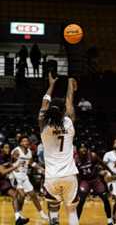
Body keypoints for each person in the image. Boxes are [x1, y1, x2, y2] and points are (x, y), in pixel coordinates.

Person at [38, 72, 79, 225]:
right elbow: (69, 102)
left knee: (53, 211)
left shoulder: (44, 125)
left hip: (52, 177)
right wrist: (70, 84)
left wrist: (51, 85)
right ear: (63, 112)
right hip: (69, 175)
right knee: (72, 210)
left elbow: (44, 103)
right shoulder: (69, 122)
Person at [11, 135, 48, 221]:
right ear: (20, 143)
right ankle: (18, 215)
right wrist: (14, 169)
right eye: (24, 141)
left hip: (24, 176)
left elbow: (31, 163)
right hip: (16, 176)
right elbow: (10, 163)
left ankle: (41, 213)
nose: (26, 142)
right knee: (22, 195)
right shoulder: (17, 151)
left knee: (33, 195)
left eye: (27, 141)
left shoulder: (29, 152)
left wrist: (41, 169)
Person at [75, 144, 113, 225]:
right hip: (85, 181)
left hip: (95, 180)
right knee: (81, 201)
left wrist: (111, 172)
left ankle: (110, 221)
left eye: (85, 147)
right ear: (78, 150)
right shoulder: (75, 160)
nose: (83, 149)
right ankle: (76, 222)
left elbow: (103, 164)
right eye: (81, 147)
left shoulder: (92, 155)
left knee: (105, 198)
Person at [0, 145, 29, 225]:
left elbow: (10, 165)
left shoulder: (7, 157)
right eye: (6, 147)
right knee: (15, 195)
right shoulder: (0, 157)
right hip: (1, 180)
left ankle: (18, 217)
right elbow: (3, 172)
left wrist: (14, 166)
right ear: (1, 149)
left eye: (9, 147)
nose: (8, 149)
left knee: (17, 195)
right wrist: (15, 166)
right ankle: (18, 216)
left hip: (4, 180)